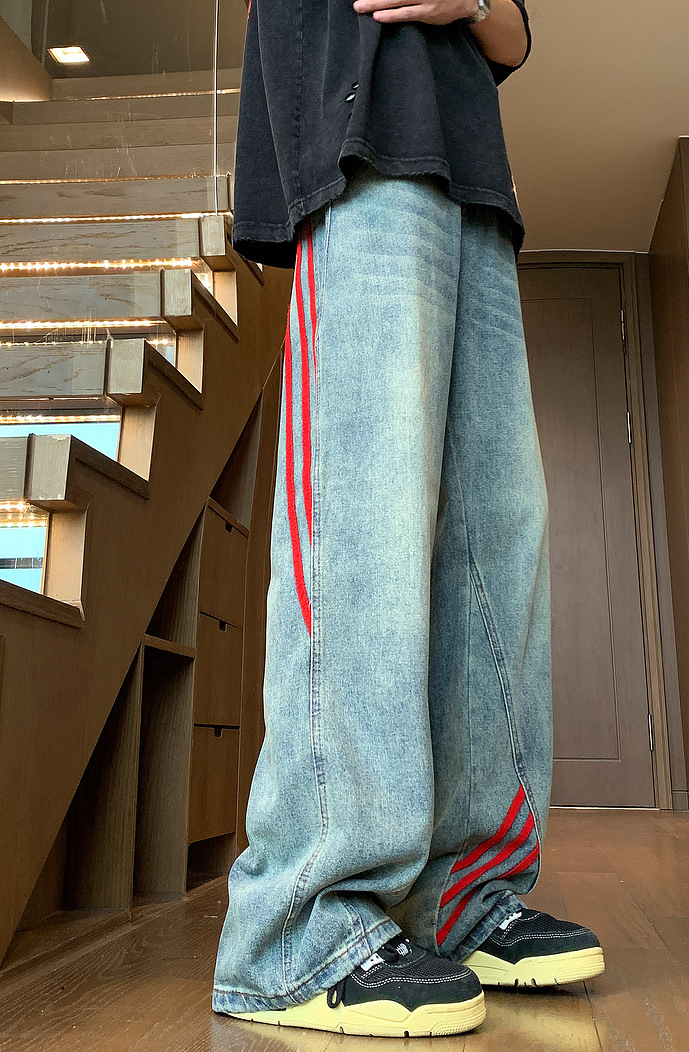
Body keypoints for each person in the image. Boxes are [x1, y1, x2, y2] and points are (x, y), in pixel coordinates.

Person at [211, 0, 604, 1038]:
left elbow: (515, 33)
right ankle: (300, 925)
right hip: (354, 148)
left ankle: (463, 891)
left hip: (473, 175)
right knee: (364, 522)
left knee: (498, 535)